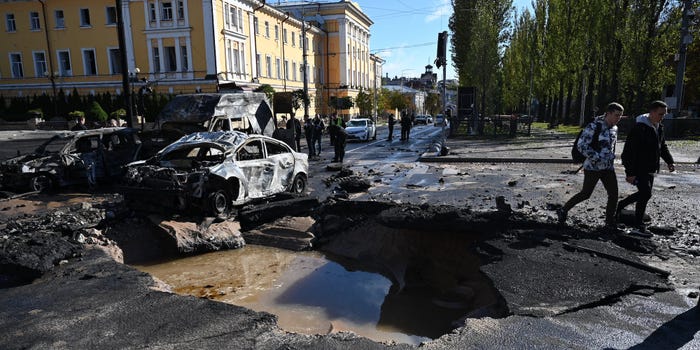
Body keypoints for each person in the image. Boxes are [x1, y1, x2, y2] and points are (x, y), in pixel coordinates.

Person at [557, 102, 625, 231]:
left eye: (620, 116)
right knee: (585, 194)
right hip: (593, 167)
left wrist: (611, 158)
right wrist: (597, 158)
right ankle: (563, 210)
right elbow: (582, 146)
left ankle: (609, 222)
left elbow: (611, 146)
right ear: (608, 113)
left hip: (608, 168)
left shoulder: (614, 128)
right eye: (616, 115)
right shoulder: (594, 126)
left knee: (614, 194)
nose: (618, 118)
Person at [617, 100, 675, 236]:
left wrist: (669, 161)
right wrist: (630, 173)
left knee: (645, 196)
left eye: (664, 114)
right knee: (646, 193)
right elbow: (628, 153)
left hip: (651, 168)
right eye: (661, 114)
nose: (663, 117)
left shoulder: (659, 127)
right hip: (638, 168)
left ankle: (630, 216)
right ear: (652, 112)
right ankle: (636, 222)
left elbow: (662, 146)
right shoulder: (639, 128)